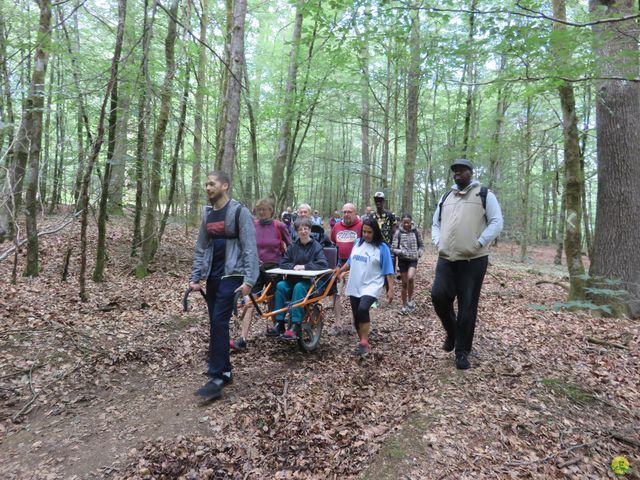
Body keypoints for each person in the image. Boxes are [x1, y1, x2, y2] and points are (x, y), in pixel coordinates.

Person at [189, 171, 259, 400]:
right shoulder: (207, 214)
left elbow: (250, 247)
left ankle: (217, 375)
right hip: (213, 275)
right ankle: (226, 370)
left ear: (225, 186)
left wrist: (249, 280)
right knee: (215, 322)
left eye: (212, 184)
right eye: (206, 183)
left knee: (219, 320)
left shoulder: (239, 212)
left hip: (234, 275)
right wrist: (196, 277)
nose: (208, 188)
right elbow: (201, 247)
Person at [431, 159, 503, 370]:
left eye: (462, 170)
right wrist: (438, 241)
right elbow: (436, 223)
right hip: (446, 258)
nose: (457, 173)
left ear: (471, 172)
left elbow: (497, 222)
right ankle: (452, 333)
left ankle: (462, 352)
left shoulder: (484, 194)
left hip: (473, 260)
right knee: (438, 296)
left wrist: (479, 242)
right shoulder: (446, 197)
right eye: (454, 171)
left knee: (467, 307)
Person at [231, 197, 291, 351]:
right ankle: (242, 339)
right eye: (259, 209)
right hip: (254, 269)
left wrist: (287, 264)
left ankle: (277, 328)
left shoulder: (279, 226)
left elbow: (291, 247)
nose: (262, 212)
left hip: (274, 270)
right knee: (250, 300)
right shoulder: (252, 225)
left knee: (273, 300)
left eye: (265, 209)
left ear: (272, 211)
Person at [339, 218, 394, 356]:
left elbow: (388, 269)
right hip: (355, 282)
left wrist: (390, 289)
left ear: (375, 232)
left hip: (372, 284)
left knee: (363, 309)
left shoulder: (382, 248)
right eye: (364, 231)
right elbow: (351, 260)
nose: (366, 234)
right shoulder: (358, 243)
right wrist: (340, 271)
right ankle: (362, 343)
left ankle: (364, 340)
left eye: (369, 232)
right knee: (357, 314)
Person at [272, 217, 329, 340]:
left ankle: (296, 326)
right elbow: (283, 262)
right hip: (294, 280)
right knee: (280, 285)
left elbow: (323, 264)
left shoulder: (316, 246)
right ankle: (280, 323)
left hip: (313, 283)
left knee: (299, 287)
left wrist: (304, 267)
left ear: (310, 230)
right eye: (300, 229)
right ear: (297, 231)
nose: (303, 231)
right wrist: (293, 267)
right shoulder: (293, 246)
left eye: (306, 229)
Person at [329, 203, 363, 335]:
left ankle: (355, 321)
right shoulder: (337, 226)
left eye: (349, 212)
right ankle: (337, 324)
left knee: (354, 294)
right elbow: (332, 243)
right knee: (336, 293)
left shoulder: (360, 226)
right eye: (344, 212)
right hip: (339, 265)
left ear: (355, 213)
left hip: (356, 265)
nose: (346, 214)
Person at [391, 213, 424, 315]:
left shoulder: (416, 231)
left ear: (411, 222)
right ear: (401, 222)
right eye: (404, 222)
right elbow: (393, 248)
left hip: (413, 259)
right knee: (404, 283)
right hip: (403, 260)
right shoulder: (398, 233)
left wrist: (418, 253)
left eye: (407, 222)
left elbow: (421, 245)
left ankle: (410, 300)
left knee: (410, 278)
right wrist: (401, 252)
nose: (406, 224)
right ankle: (404, 305)